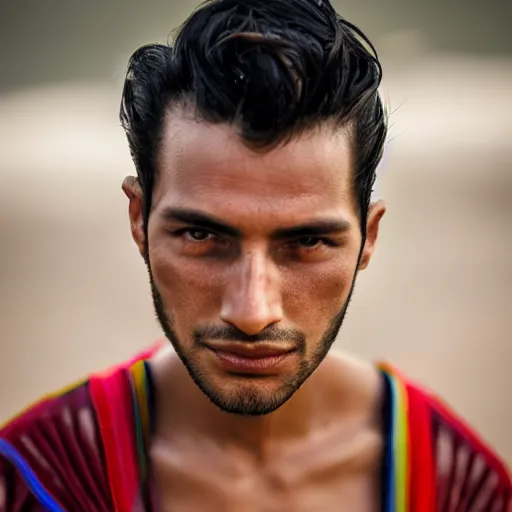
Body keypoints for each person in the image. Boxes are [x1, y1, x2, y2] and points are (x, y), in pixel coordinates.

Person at [1, 0, 510, 510]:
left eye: (307, 242)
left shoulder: (455, 486)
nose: (252, 313)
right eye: (202, 236)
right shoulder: (38, 478)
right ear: (139, 219)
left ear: (368, 238)